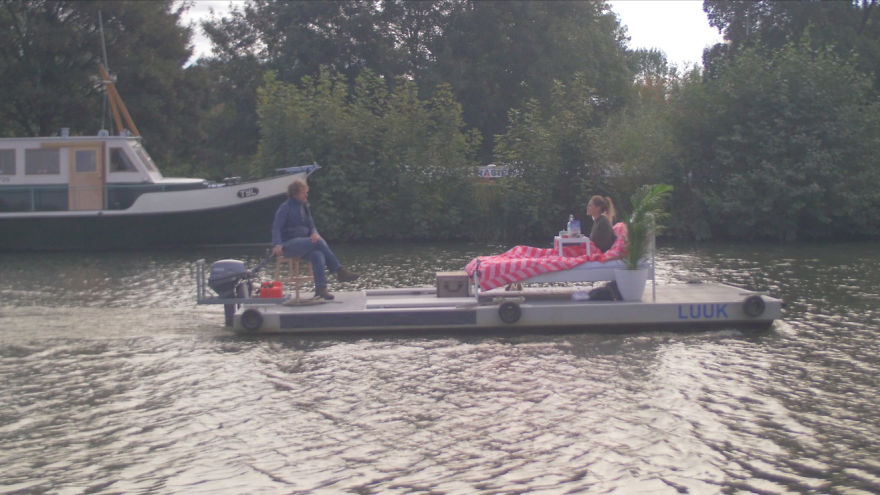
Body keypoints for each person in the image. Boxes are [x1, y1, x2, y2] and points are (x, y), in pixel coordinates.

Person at [271, 179, 359, 300]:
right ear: (295, 194)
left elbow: (312, 226)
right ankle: (339, 270)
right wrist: (277, 244)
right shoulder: (285, 208)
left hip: (304, 243)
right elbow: (276, 227)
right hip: (288, 245)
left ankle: (320, 289)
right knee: (317, 241)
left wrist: (314, 233)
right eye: (303, 193)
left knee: (318, 254)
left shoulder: (305, 206)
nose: (306, 195)